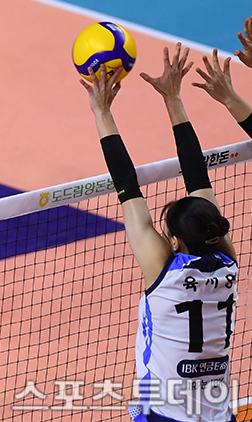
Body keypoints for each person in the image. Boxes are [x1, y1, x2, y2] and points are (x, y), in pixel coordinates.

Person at [83, 44, 237, 422]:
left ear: (175, 242)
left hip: (166, 415)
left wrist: (102, 111)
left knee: (138, 407)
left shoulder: (165, 274)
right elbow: (196, 179)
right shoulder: (228, 263)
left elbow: (127, 185)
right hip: (218, 416)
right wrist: (173, 99)